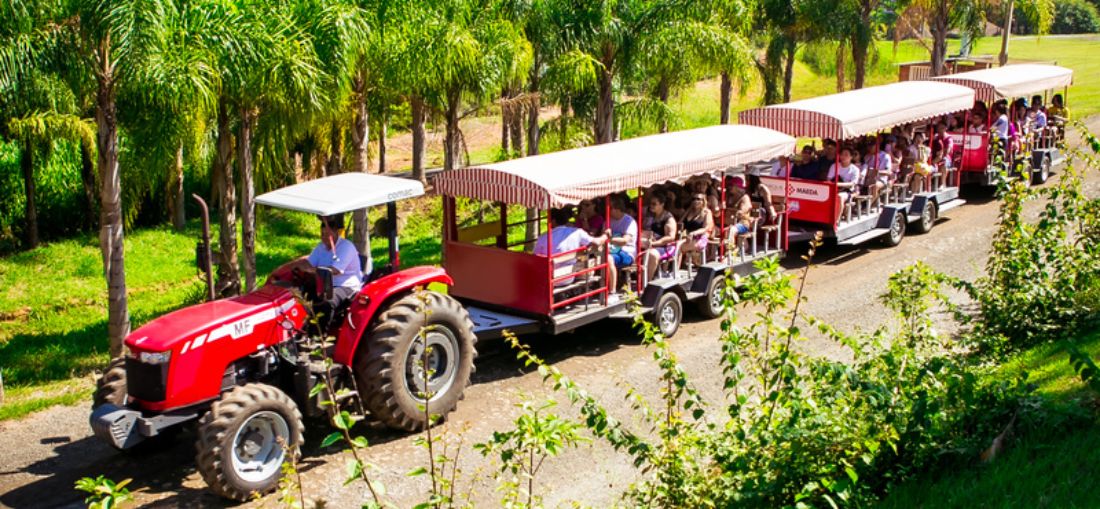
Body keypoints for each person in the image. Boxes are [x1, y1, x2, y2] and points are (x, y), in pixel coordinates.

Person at [273, 214, 365, 328]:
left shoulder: (346, 247)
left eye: (327, 234)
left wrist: (311, 270)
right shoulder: (321, 247)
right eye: (322, 234)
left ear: (336, 232)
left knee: (328, 303)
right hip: (323, 283)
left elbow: (335, 270)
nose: (324, 237)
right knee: (295, 295)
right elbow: (309, 263)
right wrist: (295, 266)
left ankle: (319, 333)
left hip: (344, 285)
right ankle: (298, 327)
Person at [534, 207, 608, 286]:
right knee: (584, 261)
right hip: (568, 277)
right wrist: (605, 235)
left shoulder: (543, 237)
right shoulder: (577, 232)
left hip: (549, 278)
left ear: (553, 221)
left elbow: (536, 257)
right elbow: (597, 242)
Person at [641, 193, 678, 282]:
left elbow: (670, 237)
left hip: (665, 247)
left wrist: (655, 243)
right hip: (648, 243)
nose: (651, 206)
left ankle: (646, 282)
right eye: (650, 203)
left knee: (652, 254)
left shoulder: (668, 219)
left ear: (662, 204)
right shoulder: (650, 215)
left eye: (654, 204)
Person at [605, 196, 638, 296]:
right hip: (610, 249)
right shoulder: (608, 221)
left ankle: (612, 291)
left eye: (610, 208)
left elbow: (624, 241)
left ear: (617, 209)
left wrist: (609, 239)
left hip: (627, 252)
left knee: (608, 258)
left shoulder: (629, 222)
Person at [676, 191, 715, 269]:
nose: (695, 201)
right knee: (674, 244)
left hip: (700, 238)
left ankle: (675, 270)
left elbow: (706, 228)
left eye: (698, 199)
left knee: (678, 246)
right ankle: (672, 268)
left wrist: (694, 233)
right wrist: (687, 211)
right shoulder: (690, 211)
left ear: (703, 201)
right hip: (687, 237)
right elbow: (680, 223)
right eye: (693, 199)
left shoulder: (707, 212)